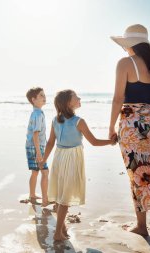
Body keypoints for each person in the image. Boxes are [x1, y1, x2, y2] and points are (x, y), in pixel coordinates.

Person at [109, 24, 150, 236]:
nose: (124, 49)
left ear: (131, 44)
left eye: (125, 45)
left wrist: (110, 127)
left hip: (132, 123)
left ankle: (142, 226)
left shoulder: (125, 63)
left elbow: (119, 98)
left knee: (137, 171)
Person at [41, 89, 116, 241]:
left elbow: (50, 143)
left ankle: (62, 227)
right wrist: (111, 142)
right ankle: (57, 234)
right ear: (69, 103)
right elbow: (94, 142)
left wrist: (44, 159)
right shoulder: (78, 121)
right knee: (66, 198)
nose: (80, 98)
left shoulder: (56, 120)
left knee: (61, 193)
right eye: (76, 97)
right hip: (72, 158)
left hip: (59, 157)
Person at [25, 87, 49, 206]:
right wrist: (39, 152)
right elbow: (36, 134)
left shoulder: (36, 113)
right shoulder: (38, 114)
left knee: (35, 171)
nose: (44, 97)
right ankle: (45, 199)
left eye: (44, 95)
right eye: (41, 96)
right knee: (45, 171)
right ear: (33, 100)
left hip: (32, 146)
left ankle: (32, 194)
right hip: (36, 147)